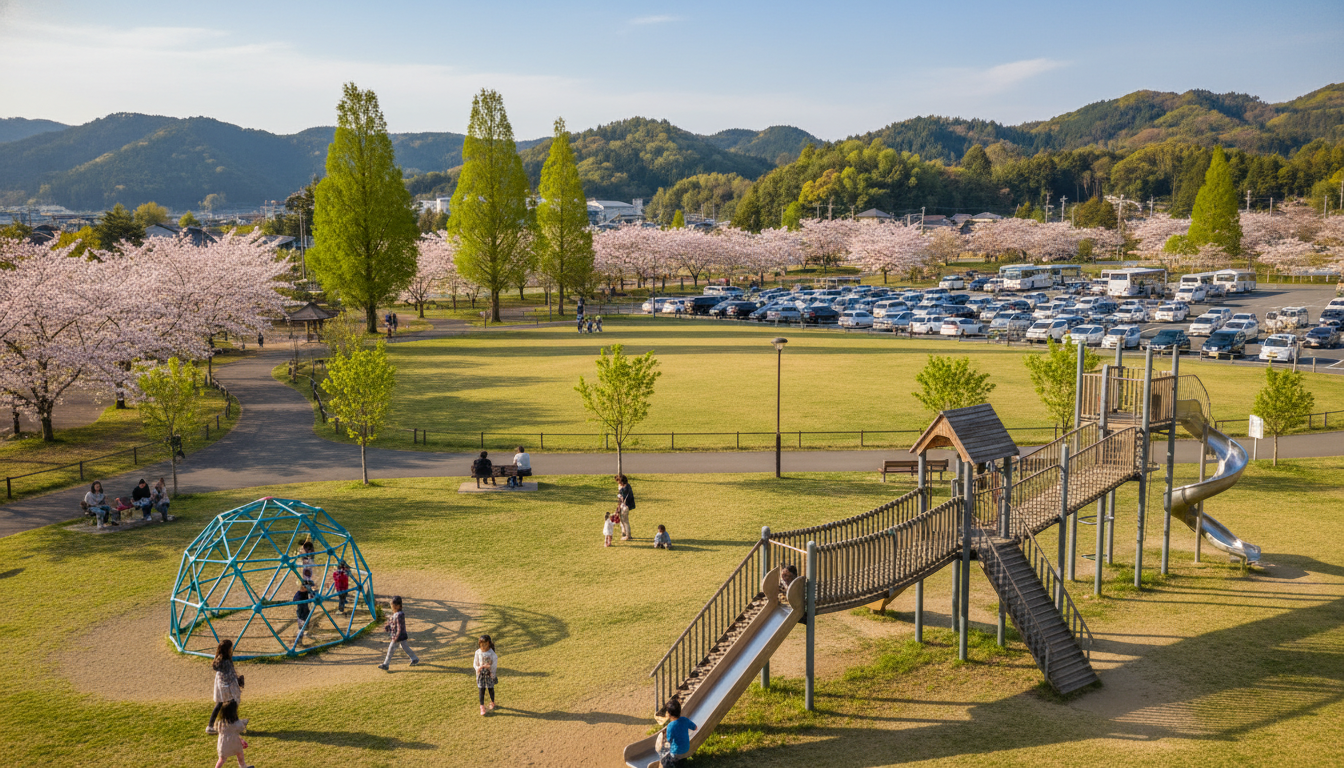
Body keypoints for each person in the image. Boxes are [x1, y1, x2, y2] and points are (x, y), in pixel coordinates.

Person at [207, 639, 243, 735]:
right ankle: (236, 724)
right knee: (232, 703)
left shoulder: (219, 659)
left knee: (220, 704)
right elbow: (230, 675)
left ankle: (210, 726)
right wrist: (238, 681)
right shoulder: (226, 661)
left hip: (220, 684)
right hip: (227, 686)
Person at [378, 596, 420, 670]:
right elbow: (392, 622)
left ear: (398, 606)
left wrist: (397, 636)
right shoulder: (396, 614)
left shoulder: (400, 615)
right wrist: (388, 626)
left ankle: (386, 664)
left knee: (391, 649)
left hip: (398, 636)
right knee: (405, 647)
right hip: (399, 635)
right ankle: (414, 658)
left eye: (393, 606)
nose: (392, 608)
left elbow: (400, 626)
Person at [656, 697, 697, 766]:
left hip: (676, 753)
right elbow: (695, 727)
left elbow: (669, 739)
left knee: (663, 761)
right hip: (686, 750)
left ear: (669, 714)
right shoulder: (685, 720)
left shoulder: (670, 726)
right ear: (680, 711)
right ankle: (680, 762)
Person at [213, 700, 249, 768]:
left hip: (223, 744)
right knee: (240, 755)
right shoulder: (236, 723)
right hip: (234, 743)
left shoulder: (220, 723)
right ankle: (243, 766)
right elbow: (241, 728)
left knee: (222, 759)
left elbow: (217, 729)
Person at [474, 635, 498, 715]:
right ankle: (482, 707)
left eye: (485, 645)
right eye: (481, 645)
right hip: (481, 675)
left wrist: (490, 669)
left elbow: (494, 664)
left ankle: (492, 702)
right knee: (481, 690)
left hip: (489, 674)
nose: (483, 647)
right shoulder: (477, 652)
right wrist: (478, 668)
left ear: (489, 644)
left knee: (490, 689)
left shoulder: (492, 653)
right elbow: (475, 663)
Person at [615, 474, 635, 540]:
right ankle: (624, 532)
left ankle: (628, 535)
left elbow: (620, 500)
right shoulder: (628, 486)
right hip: (627, 506)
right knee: (623, 520)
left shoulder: (623, 490)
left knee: (625, 521)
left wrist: (617, 509)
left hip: (624, 506)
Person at [293, 581, 312, 646]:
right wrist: (301, 601)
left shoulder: (306, 592)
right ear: (302, 588)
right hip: (301, 613)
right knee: (301, 627)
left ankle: (305, 632)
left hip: (306, 611)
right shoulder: (299, 593)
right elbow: (294, 600)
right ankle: (299, 640)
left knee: (306, 623)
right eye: (306, 587)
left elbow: (312, 593)